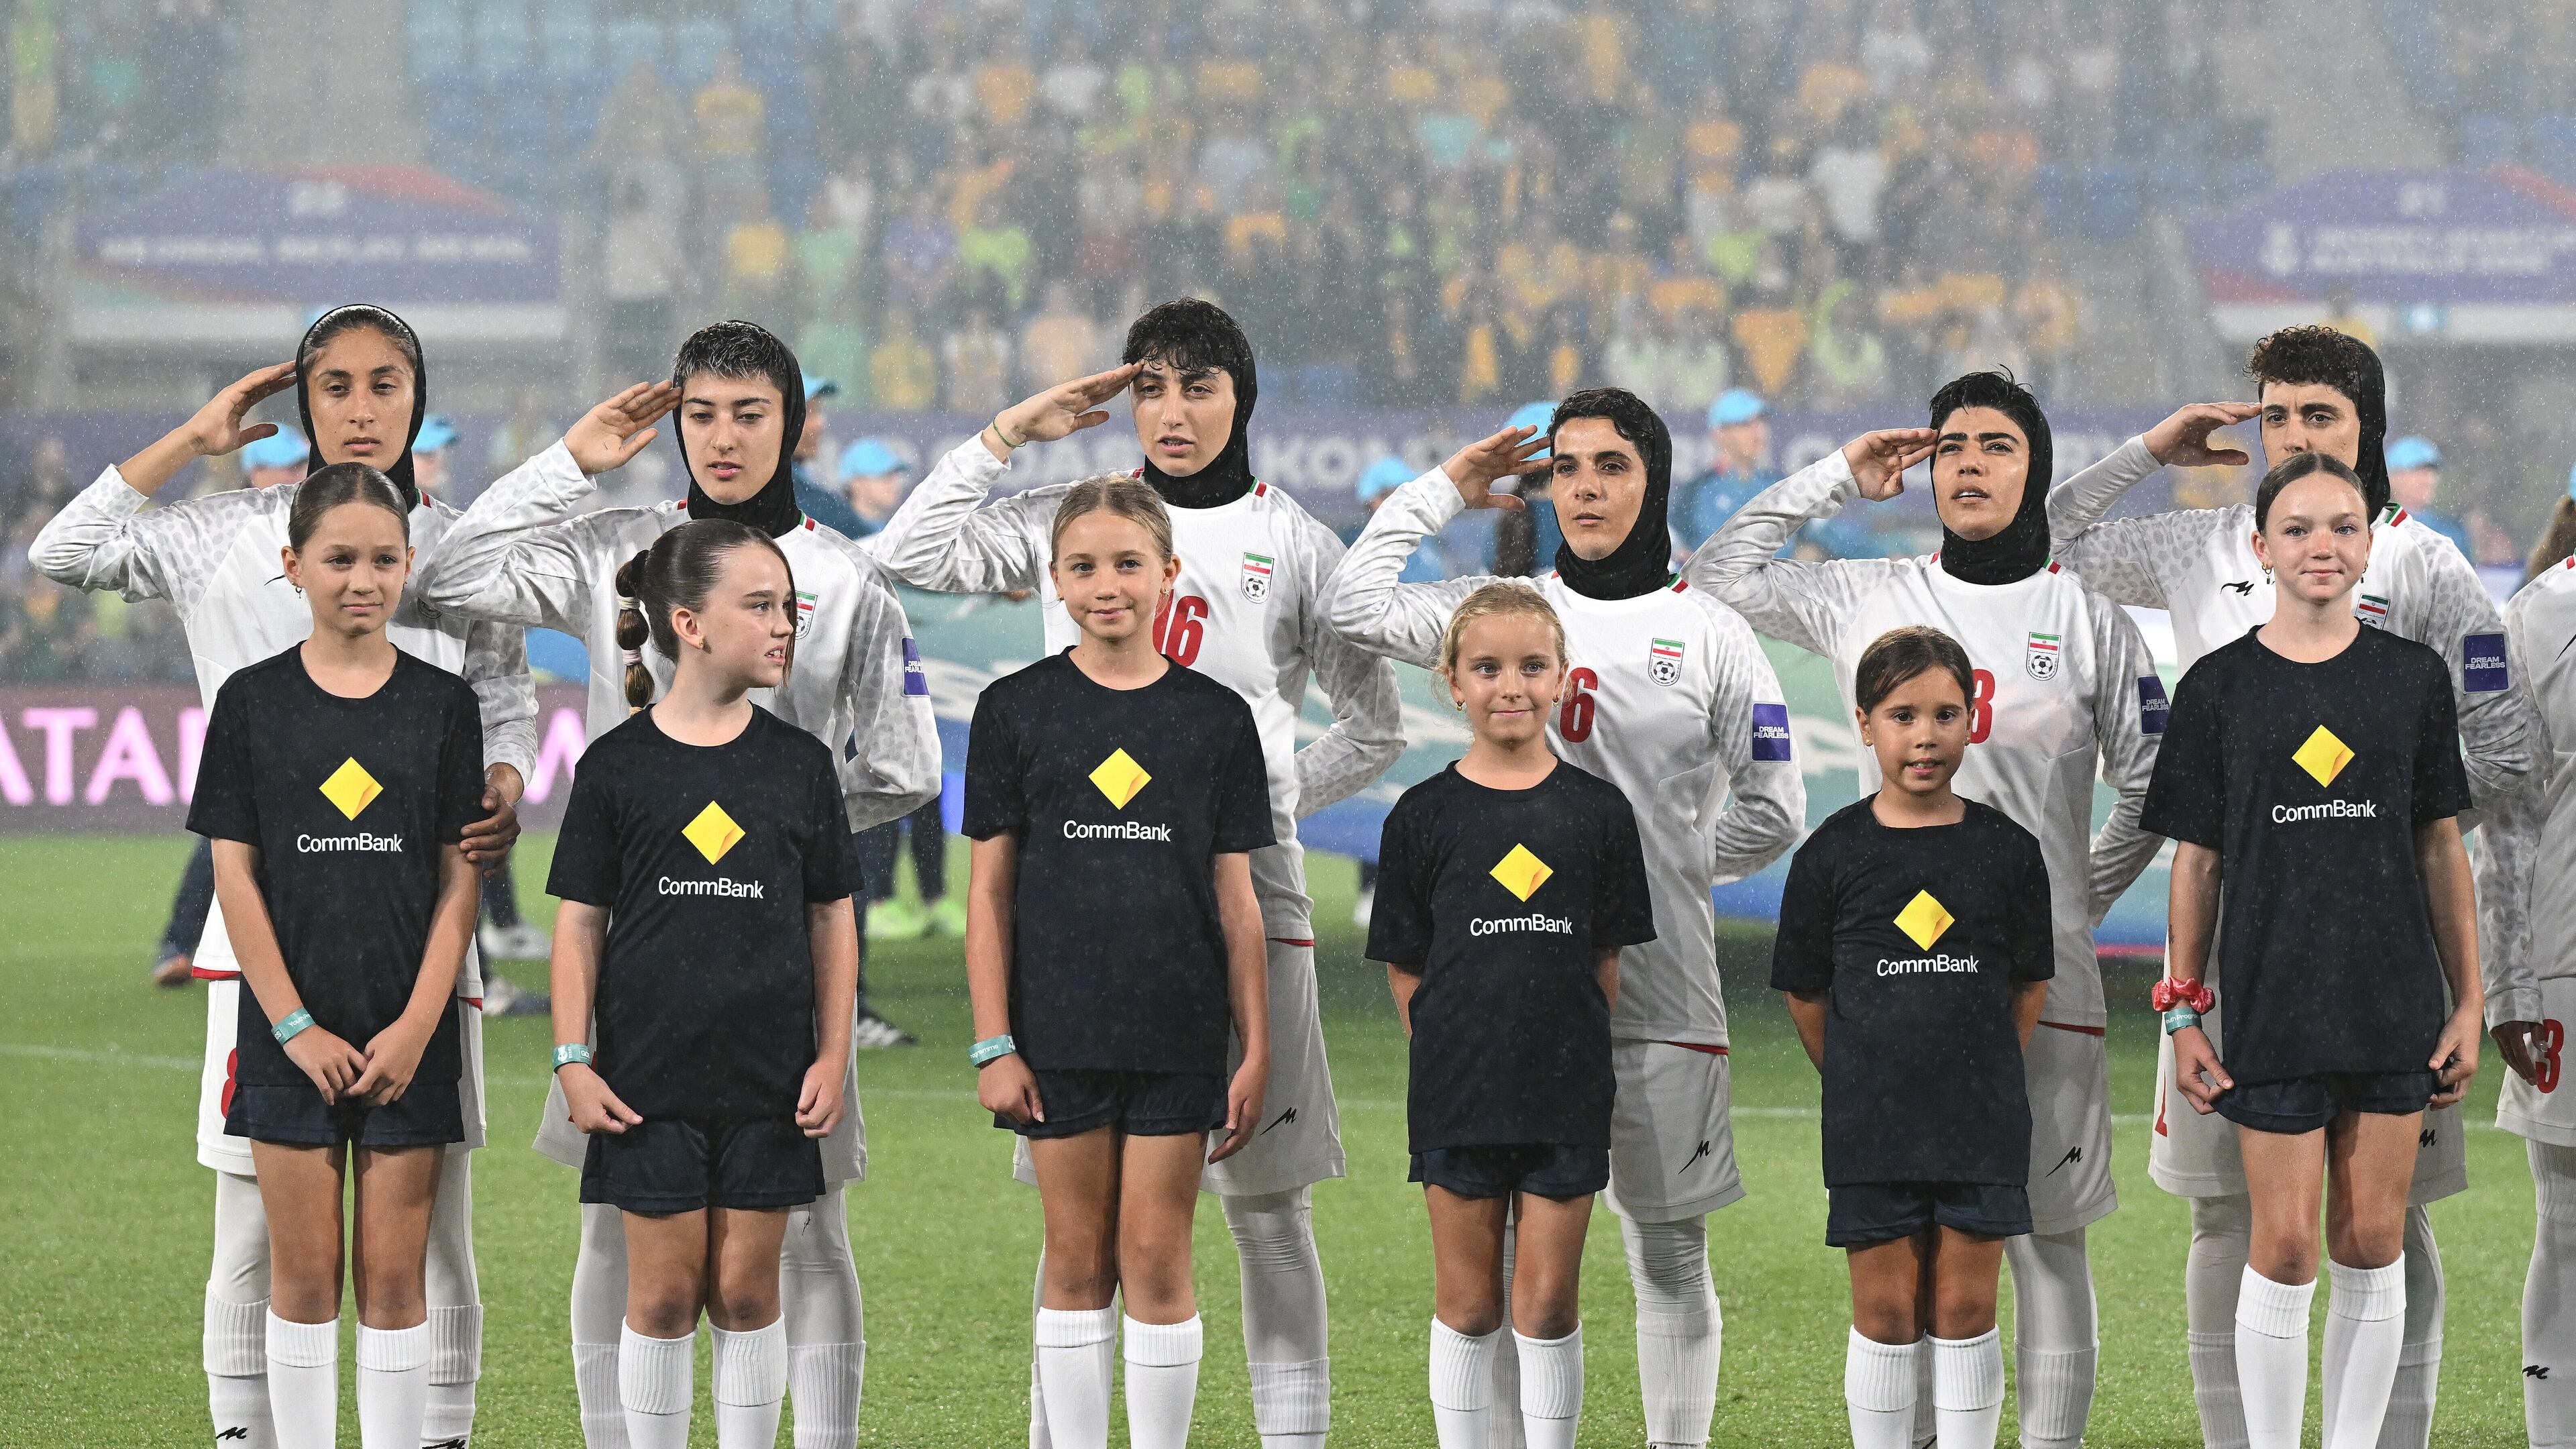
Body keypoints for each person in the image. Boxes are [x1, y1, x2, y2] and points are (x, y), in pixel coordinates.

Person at [873, 297, 1401, 1449]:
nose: (1172, 411)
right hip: (1081, 904)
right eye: (1151, 387)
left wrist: (1247, 809)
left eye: (1198, 387)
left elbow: (1375, 726)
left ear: (1241, 399)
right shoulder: (1076, 517)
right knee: (1080, 1229)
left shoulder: (1299, 543)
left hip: (1243, 891)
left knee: (1266, 1210)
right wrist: (1011, 431)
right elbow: (909, 554)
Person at [415, 319, 939, 1449]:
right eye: (700, 413)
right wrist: (570, 462)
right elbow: (445, 572)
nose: (723, 436)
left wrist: (779, 839)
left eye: (750, 413)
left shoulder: (848, 578)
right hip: (636, 947)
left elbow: (907, 765)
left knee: (809, 1224)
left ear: (793, 423)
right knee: (616, 1228)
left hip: (783, 950)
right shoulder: (621, 550)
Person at [31, 303, 535, 1449]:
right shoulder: (222, 531)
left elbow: (504, 691)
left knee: (436, 1223)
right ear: (299, 402)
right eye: (337, 386)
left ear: (420, 395)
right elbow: (64, 551)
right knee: (254, 1228)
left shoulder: (455, 545)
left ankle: (436, 1434)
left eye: (387, 384)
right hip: (262, 928)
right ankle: (247, 1435)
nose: (362, 409)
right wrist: (194, 436)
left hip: (419, 921)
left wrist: (502, 783)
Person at [2043, 325, 2538, 1449]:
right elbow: (2053, 541)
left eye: (2320, 414)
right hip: (2240, 961)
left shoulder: (2425, 567)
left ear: (2365, 425)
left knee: (2390, 1227)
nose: (2295, 437)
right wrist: (2148, 450)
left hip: (2389, 960)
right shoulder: (2195, 543)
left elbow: (2502, 754)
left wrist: (2383, 793)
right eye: (2276, 416)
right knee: (2236, 1223)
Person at [1686, 370, 2167, 1449]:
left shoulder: (2087, 618)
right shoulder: (1870, 591)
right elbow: (1712, 577)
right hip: (1893, 990)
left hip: (2042, 988)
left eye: (1996, 445)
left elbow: (2151, 785)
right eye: (1951, 445)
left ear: (2035, 467)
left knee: (2046, 1242)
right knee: (1900, 1268)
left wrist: (2067, 911)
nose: (1969, 463)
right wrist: (1830, 480)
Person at [1328, 386, 1805, 1449]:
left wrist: (1664, 873)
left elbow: (1778, 809)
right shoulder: (1499, 613)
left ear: (1656, 479)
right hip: (1509, 997)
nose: (1585, 489)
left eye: (1612, 467)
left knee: (1670, 1252)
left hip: (1663, 986)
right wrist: (1445, 488)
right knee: (1498, 1274)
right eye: (1567, 469)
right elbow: (1355, 603)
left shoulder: (1712, 634)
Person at [2142, 451, 2482, 1449]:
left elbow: (2439, 847)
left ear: (2370, 542)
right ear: (2261, 549)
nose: (2322, 546)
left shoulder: (2412, 679)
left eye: (2342, 526)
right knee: (2285, 1249)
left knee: (2372, 1239)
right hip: (2269, 999)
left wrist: (2467, 1001)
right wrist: (2184, 1007)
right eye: (2298, 529)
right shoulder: (2216, 686)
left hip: (2389, 999)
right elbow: (2194, 864)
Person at [965, 478, 1275, 1449]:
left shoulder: (1216, 719)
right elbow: (989, 894)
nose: (1108, 584)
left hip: (1178, 1032)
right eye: (1085, 566)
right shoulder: (1016, 710)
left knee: (1157, 1255)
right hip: (1055, 1030)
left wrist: (1256, 1047)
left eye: (1129, 563)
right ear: (1054, 580)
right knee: (1074, 1258)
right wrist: (992, 1043)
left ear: (1169, 574)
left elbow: (1238, 900)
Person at [193, 463, 490, 1449]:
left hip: (410, 1031)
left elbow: (460, 880)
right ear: (294, 565)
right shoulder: (248, 702)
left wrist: (416, 1025)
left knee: (397, 1279)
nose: (362, 579)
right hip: (289, 1032)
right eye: (338, 559)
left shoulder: (445, 705)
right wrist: (292, 1025)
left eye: (383, 560)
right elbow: (234, 878)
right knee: (306, 1276)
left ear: (408, 565)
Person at [548, 519, 861, 1449]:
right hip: (647, 1081)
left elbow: (831, 917)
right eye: (760, 606)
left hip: (770, 1078)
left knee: (747, 1290)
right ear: (687, 622)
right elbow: (578, 922)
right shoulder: (617, 764)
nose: (782, 627)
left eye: (788, 609)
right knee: (664, 1292)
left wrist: (835, 1053)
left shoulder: (798, 764)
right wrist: (572, 1057)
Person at [1366, 583, 1656, 1449]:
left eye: (1533, 666)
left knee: (1547, 1302)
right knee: (1468, 1301)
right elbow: (1408, 968)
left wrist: (1558, 1048)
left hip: (1566, 1091)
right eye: (1486, 667)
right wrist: (1462, 1051)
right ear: (1451, 681)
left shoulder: (1599, 812)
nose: (1511, 686)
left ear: (1564, 677)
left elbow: (1604, 963)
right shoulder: (1423, 816)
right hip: (1459, 1091)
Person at [1771, 625, 2054, 1449]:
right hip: (1873, 1122)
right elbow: (1808, 993)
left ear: (1974, 719)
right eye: (1902, 716)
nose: (1924, 736)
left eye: (1944, 714)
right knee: (1888, 1312)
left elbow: (2028, 986)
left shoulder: (2008, 851)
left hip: (1980, 1118)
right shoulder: (1832, 854)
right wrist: (1863, 1073)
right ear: (1864, 724)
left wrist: (1981, 1071)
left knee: (1966, 1309)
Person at [2473, 517, 2576, 1446]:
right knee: (2569, 1220)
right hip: (2565, 966)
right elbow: (2498, 817)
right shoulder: (2536, 618)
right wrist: (2509, 983)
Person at [148, 427, 311, 989]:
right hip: (255, 723)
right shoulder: (223, 538)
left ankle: (199, 944)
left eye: (298, 467)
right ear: (253, 474)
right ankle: (182, 942)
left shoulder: (317, 538)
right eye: (281, 468)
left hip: (306, 718)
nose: (293, 477)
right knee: (231, 839)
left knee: (248, 839)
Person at [416, 411, 555, 1000]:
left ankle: (488, 962)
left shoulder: (452, 529)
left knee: (478, 824)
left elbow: (507, 707)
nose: (439, 460)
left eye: (443, 450)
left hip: (454, 741)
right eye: (429, 451)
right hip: (413, 748)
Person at [793, 375, 868, 537]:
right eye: (807, 412)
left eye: (818, 411)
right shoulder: (799, 498)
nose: (820, 423)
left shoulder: (807, 493)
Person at [2383, 437, 2473, 557]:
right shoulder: (2377, 525)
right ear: (2393, 477)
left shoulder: (2451, 529)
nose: (2428, 480)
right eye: (2417, 471)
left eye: (2432, 472)